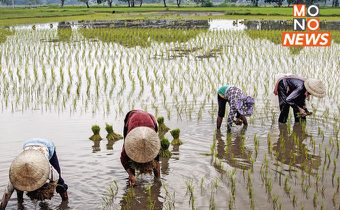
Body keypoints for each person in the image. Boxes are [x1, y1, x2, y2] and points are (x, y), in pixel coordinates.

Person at [0, 138, 68, 209]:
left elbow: (57, 179)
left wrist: (52, 187)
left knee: (60, 182)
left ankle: (65, 201)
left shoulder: (48, 168)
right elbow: (6, 196)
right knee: (18, 186)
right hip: (27, 146)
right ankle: (20, 203)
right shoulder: (14, 176)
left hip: (47, 145)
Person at [120, 110, 161, 186]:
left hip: (150, 119)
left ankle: (157, 177)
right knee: (129, 157)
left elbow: (156, 160)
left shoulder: (154, 145)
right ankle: (133, 178)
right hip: (132, 117)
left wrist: (158, 180)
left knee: (155, 157)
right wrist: (131, 175)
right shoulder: (130, 142)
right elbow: (123, 159)